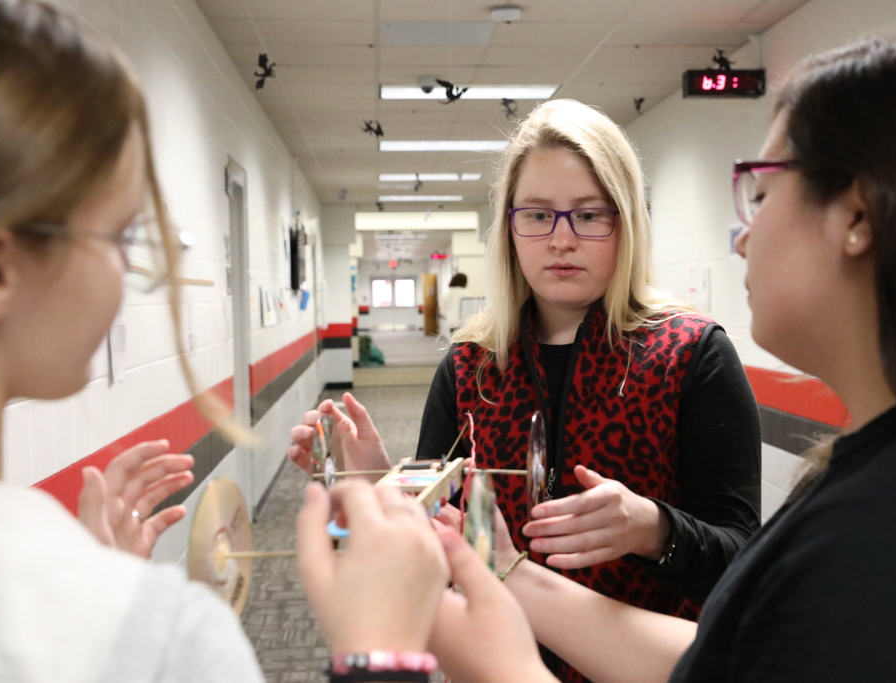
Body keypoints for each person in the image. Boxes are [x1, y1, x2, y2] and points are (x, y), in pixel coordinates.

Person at [334, 27, 896, 683]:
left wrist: (656, 531)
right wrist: (396, 501)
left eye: (764, 191)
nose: (742, 237)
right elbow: (715, 659)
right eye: (536, 214)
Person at [0, 3, 449, 681]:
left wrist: (90, 583)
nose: (128, 276)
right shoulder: (168, 634)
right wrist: (381, 651)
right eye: (117, 237)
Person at [290, 99, 762, 681]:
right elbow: (438, 547)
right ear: (509, 226)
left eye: (590, 215)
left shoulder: (692, 357)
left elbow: (744, 565)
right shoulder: (471, 367)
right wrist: (378, 483)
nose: (561, 240)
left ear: (628, 223)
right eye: (537, 215)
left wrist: (652, 529)